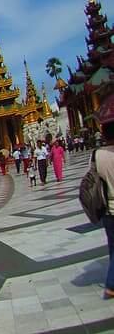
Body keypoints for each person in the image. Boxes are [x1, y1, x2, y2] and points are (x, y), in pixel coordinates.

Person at [91, 124, 114, 298]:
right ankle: (111, 284)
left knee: (112, 247)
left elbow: (91, 181)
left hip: (107, 209)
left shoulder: (97, 155)